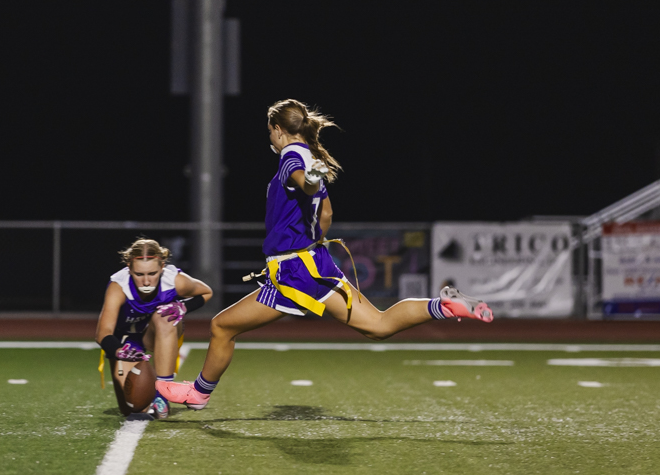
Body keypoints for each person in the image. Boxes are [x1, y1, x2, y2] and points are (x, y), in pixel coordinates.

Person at [158, 99, 494, 410]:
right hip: (312, 265)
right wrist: (307, 243)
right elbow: (327, 214)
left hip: (296, 271)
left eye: (270, 132)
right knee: (377, 324)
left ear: (277, 129)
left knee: (221, 326)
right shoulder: (309, 158)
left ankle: (198, 394)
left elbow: (305, 183)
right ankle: (446, 306)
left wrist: (305, 205)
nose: (271, 139)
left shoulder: (292, 156)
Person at [96, 238, 213, 419]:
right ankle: (149, 390)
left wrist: (183, 308)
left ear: (162, 267)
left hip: (156, 333)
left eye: (152, 273)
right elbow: (102, 333)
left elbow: (207, 292)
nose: (146, 281)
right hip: (126, 344)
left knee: (165, 316)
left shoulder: (174, 280)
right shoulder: (119, 287)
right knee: (134, 407)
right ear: (129, 268)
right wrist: (119, 351)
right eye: (139, 274)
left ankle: (162, 396)